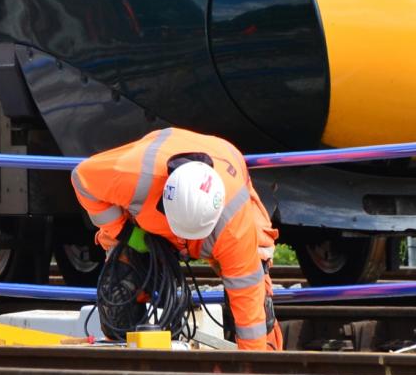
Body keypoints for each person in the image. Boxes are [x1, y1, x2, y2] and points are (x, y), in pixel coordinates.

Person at [71, 126, 282, 350]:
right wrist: (124, 232)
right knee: (118, 292)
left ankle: (268, 357)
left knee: (259, 308)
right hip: (148, 224)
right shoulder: (134, 177)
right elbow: (82, 179)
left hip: (222, 185)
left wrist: (252, 363)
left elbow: (248, 303)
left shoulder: (235, 225)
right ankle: (124, 360)